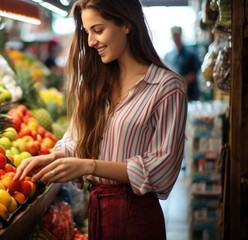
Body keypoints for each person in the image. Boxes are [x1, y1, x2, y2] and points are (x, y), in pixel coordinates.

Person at [14, 0, 188, 239]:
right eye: (87, 33)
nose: (90, 41)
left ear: (126, 24)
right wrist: (53, 158)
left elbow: (162, 170)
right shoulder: (95, 82)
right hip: (98, 210)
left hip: (137, 217)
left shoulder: (166, 87)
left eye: (98, 30)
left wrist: (89, 165)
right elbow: (76, 140)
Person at [165, 26, 201, 101]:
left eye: (177, 34)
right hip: (175, 96)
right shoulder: (168, 56)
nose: (176, 37)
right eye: (174, 35)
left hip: (191, 95)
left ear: (181, 35)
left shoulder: (191, 53)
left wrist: (180, 82)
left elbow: (194, 74)